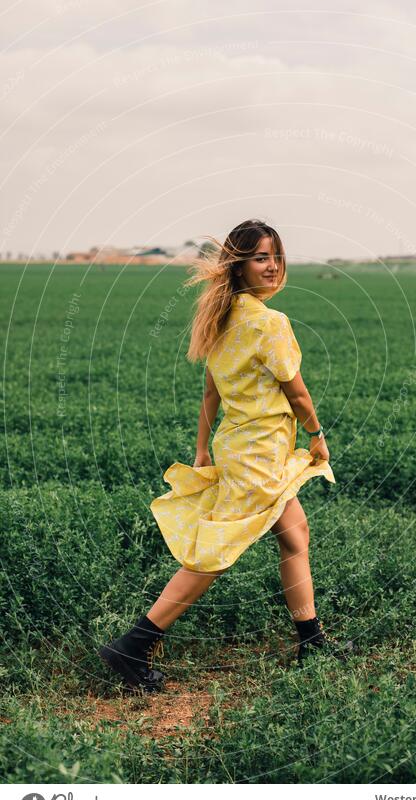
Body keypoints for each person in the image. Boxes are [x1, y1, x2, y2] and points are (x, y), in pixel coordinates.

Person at [99, 219, 353, 694]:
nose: (273, 266)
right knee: (215, 554)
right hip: (258, 457)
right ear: (239, 266)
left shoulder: (221, 318)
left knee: (296, 536)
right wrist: (317, 436)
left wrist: (201, 449)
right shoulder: (268, 322)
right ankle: (132, 646)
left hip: (245, 450)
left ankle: (311, 639)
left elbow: (210, 393)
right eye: (261, 257)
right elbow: (297, 395)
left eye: (276, 256)